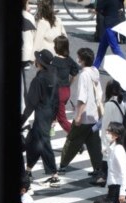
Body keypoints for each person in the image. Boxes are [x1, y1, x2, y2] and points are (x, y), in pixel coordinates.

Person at [59, 48, 103, 180]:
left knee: (72, 140)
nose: (77, 60)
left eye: (78, 58)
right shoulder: (95, 72)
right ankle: (98, 168)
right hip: (94, 115)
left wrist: (78, 116)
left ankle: (62, 165)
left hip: (84, 116)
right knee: (93, 143)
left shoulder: (84, 75)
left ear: (82, 60)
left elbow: (82, 98)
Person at [21, 50, 58, 187]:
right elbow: (56, 98)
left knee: (44, 143)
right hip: (49, 112)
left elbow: (31, 103)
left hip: (41, 113)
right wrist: (54, 116)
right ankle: (28, 169)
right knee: (32, 141)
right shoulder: (53, 76)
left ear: (40, 63)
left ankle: (54, 174)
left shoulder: (38, 80)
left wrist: (22, 119)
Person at [96, 80, 126, 186]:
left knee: (107, 154)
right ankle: (103, 176)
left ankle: (103, 177)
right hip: (119, 131)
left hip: (111, 132)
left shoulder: (109, 104)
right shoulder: (121, 102)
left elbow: (106, 123)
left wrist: (103, 136)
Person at [51, 35, 79, 135]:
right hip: (66, 90)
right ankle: (51, 130)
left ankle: (76, 137)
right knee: (54, 111)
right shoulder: (69, 60)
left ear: (56, 47)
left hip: (57, 92)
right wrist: (69, 85)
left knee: (62, 119)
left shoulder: (53, 61)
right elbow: (75, 74)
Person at [104, 123, 126, 203]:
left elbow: (124, 172)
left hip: (117, 189)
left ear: (116, 135)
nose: (107, 133)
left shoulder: (118, 149)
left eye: (109, 131)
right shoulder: (112, 148)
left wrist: (123, 192)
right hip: (113, 188)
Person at [92, 0, 126, 68]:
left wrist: (92, 10)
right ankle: (95, 67)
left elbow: (98, 9)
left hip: (109, 26)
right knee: (101, 48)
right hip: (116, 24)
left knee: (115, 49)